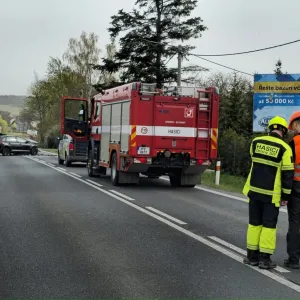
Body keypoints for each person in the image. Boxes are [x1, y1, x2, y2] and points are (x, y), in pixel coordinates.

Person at [243, 116, 294, 269]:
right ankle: (265, 260)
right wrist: (286, 196)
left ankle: (252, 256)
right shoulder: (285, 148)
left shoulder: (256, 142)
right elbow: (287, 174)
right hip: (271, 195)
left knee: (254, 224)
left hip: (253, 191)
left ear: (270, 128)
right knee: (269, 226)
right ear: (283, 130)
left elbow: (254, 160)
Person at [284, 112, 300, 269]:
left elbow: (288, 170)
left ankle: (294, 259)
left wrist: (285, 192)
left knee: (295, 223)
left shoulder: (293, 144)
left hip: (296, 187)